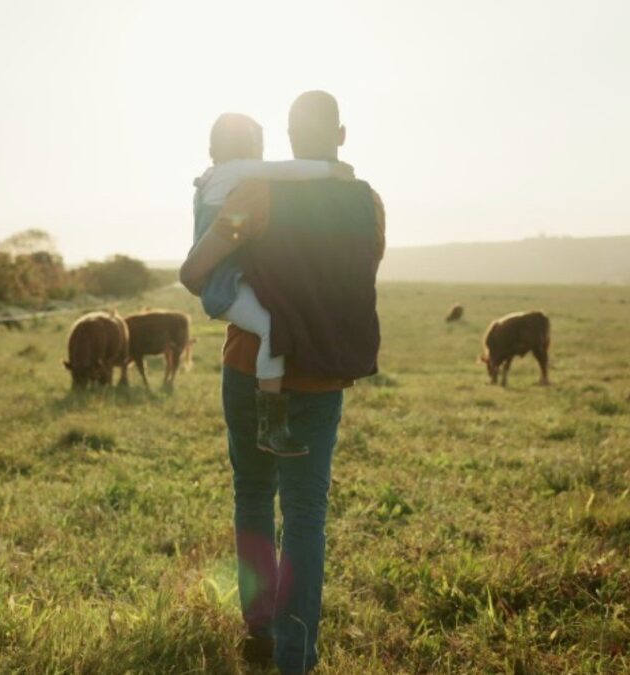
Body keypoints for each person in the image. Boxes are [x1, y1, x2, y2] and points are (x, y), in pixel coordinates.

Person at [180, 91, 385, 675]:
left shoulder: (257, 193)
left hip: (250, 367)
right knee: (305, 516)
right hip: (322, 374)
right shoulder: (369, 203)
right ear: (339, 136)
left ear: (287, 141)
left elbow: (196, 272)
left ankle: (259, 634)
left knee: (252, 497)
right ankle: (297, 661)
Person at [192, 112, 353, 457]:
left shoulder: (214, 176)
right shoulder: (236, 171)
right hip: (224, 283)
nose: (263, 153)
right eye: (259, 144)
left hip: (229, 278)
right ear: (246, 146)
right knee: (272, 327)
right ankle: (272, 426)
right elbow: (286, 171)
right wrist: (330, 171)